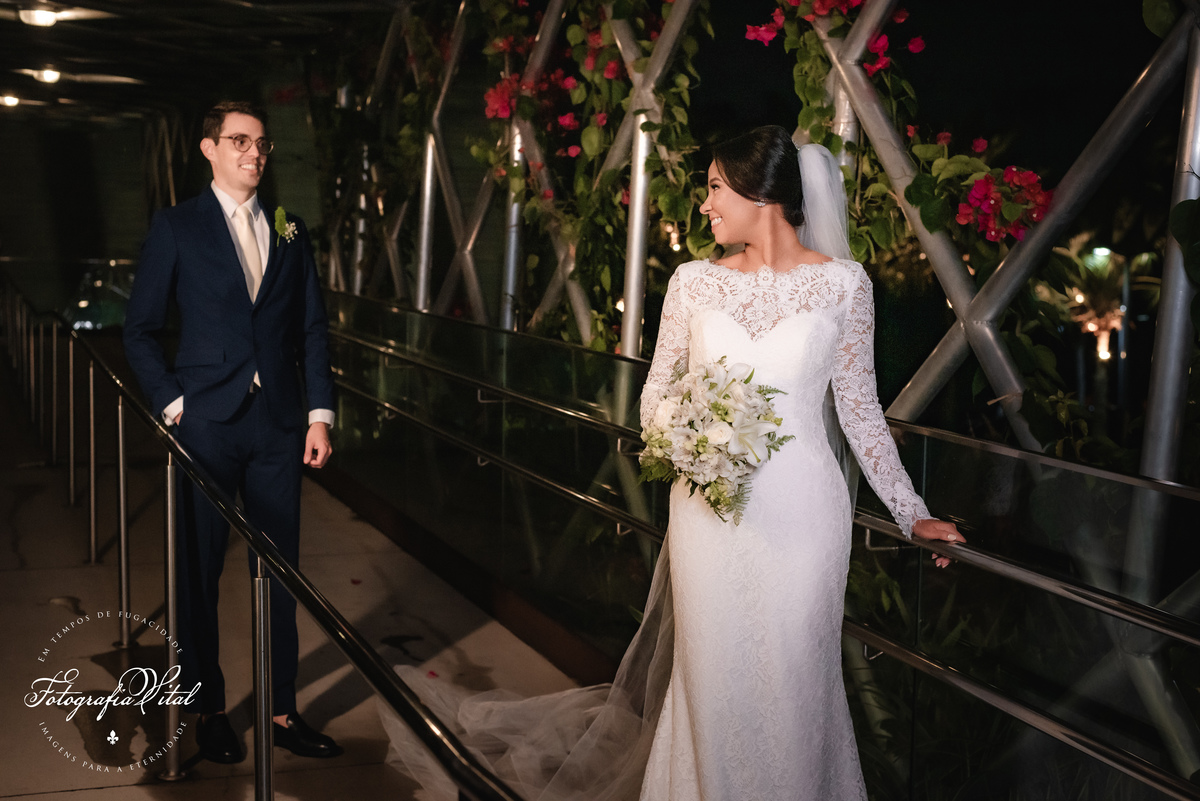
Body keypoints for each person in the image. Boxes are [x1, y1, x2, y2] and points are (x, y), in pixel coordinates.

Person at [379, 126, 962, 800]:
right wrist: (691, 436)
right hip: (709, 512)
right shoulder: (692, 283)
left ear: (761, 193)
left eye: (715, 187)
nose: (705, 205)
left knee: (796, 681)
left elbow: (860, 412)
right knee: (712, 681)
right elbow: (655, 394)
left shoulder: (845, 286)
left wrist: (913, 513)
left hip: (805, 517)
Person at [123, 101, 341, 764]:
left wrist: (320, 414)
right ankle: (208, 708)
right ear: (209, 148)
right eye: (240, 141)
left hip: (277, 425)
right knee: (199, 573)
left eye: (262, 143)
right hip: (207, 425)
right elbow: (139, 329)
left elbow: (310, 328)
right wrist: (173, 402)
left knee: (279, 571)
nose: (255, 153)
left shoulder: (291, 227)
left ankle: (281, 710)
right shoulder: (177, 227)